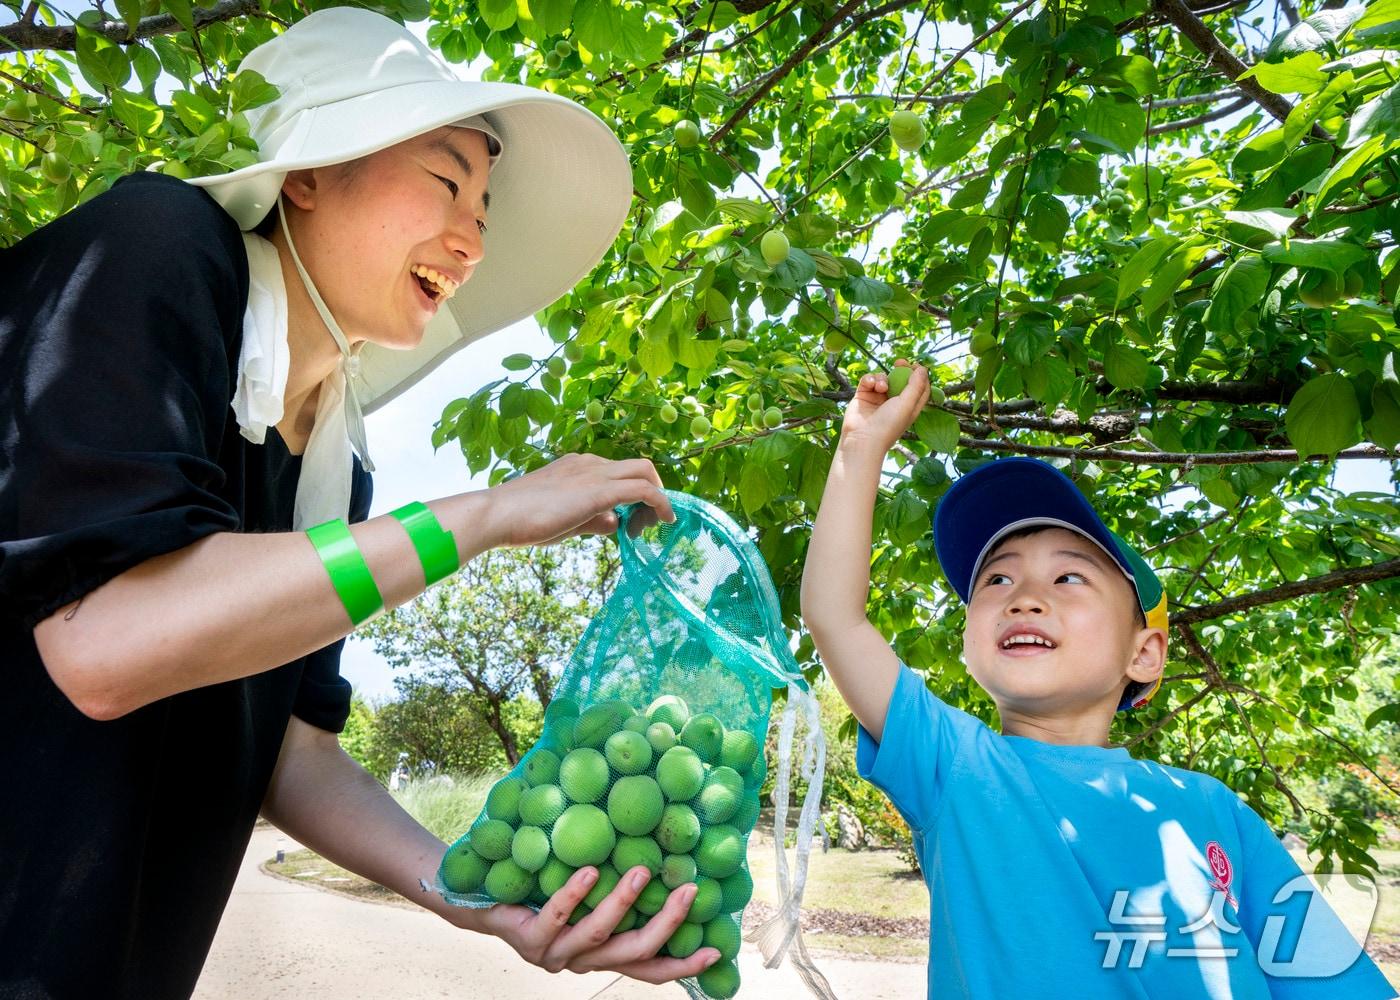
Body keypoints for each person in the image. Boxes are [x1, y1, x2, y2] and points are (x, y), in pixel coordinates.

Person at [0, 9, 722, 997]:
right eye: (446, 178)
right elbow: (104, 643)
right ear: (305, 171)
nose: (471, 237)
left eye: (485, 208)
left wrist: (467, 892)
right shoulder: (156, 243)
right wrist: (481, 516)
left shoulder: (338, 466)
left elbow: (293, 753)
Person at [800, 362, 1397, 998]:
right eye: (996, 579)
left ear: (1143, 654)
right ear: (969, 643)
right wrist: (861, 447)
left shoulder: (1214, 808)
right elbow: (835, 617)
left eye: (1068, 578)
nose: (1024, 597)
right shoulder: (955, 766)